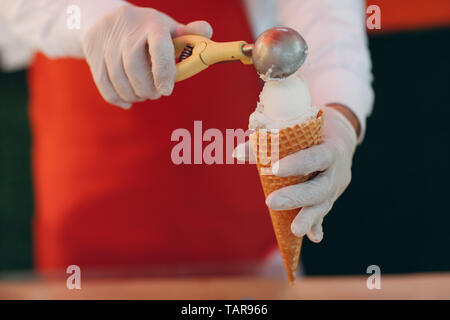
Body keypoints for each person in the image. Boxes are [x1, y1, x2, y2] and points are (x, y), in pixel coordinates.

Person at [0, 0, 372, 274]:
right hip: (82, 249)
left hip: (248, 249)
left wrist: (340, 115)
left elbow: (325, 21)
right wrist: (93, 19)